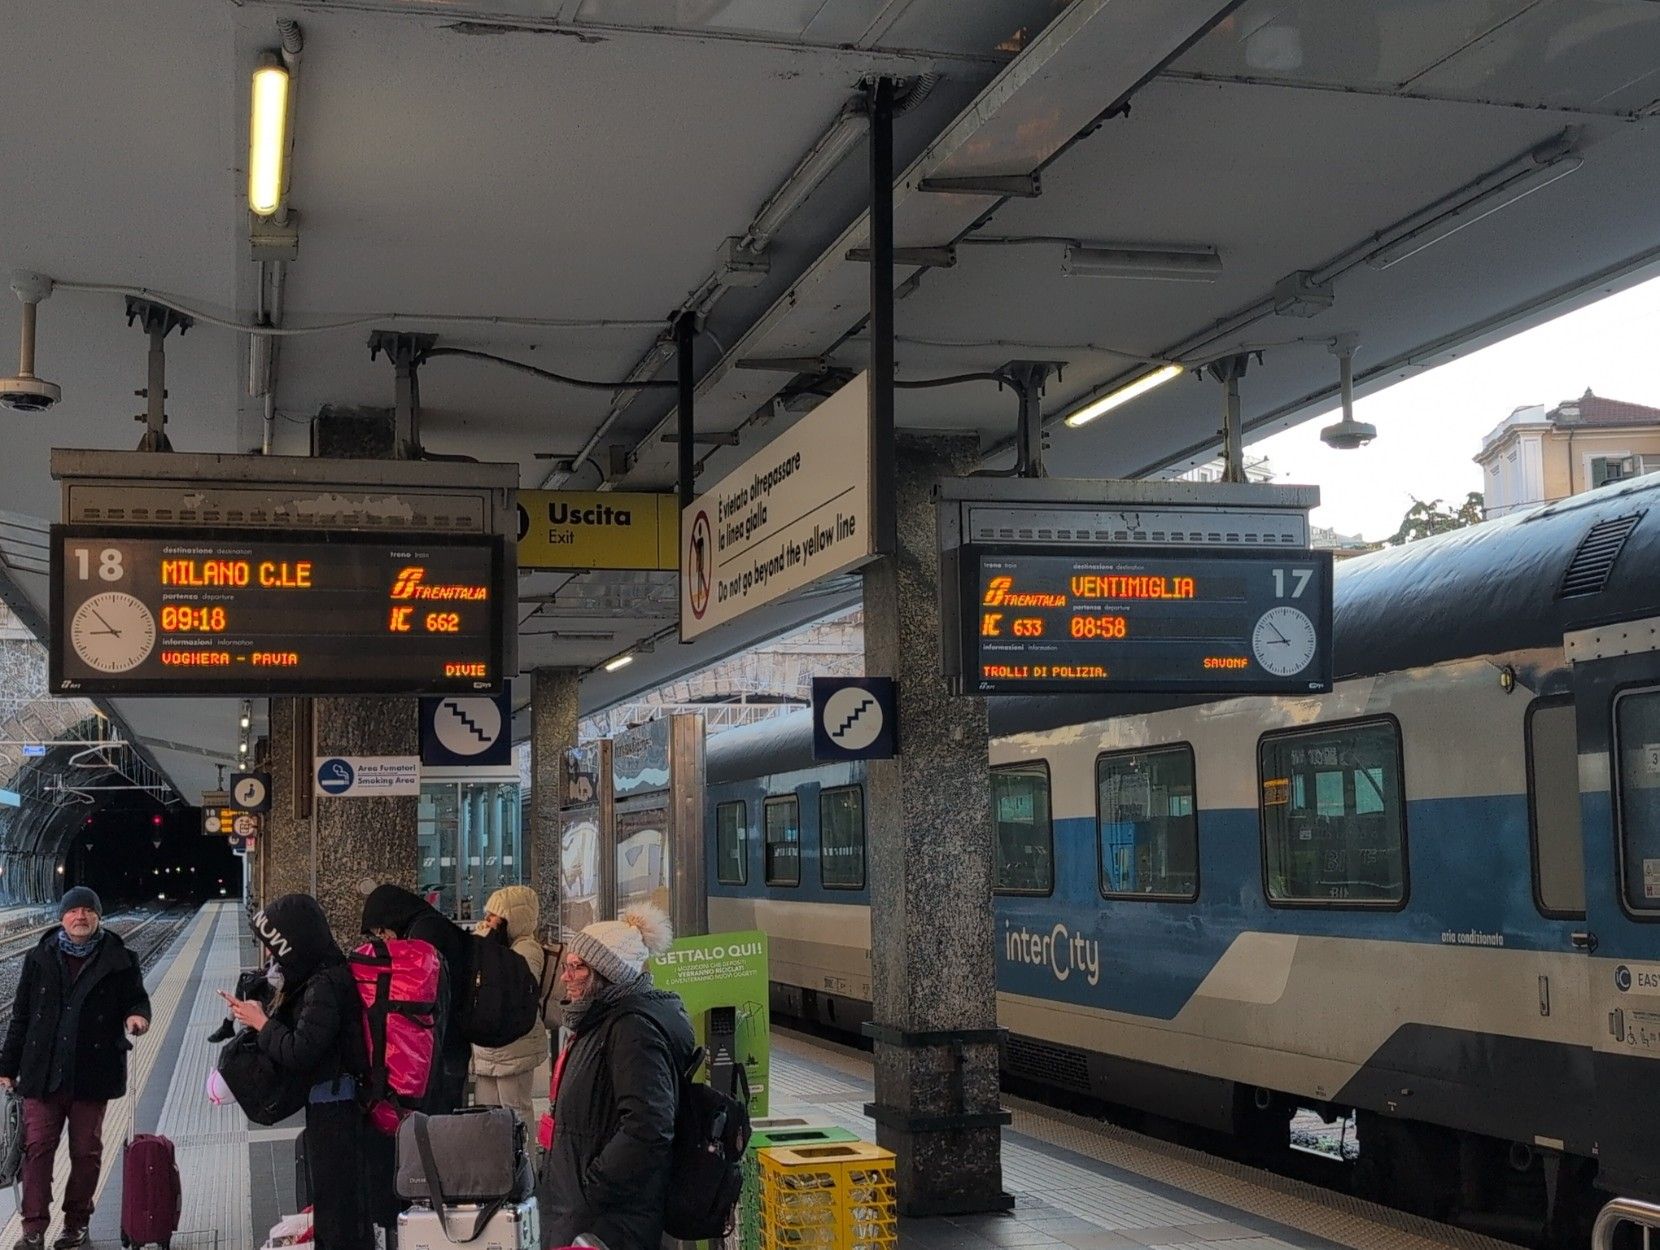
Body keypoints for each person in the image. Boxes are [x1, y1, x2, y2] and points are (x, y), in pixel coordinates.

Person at [0, 887, 151, 1250]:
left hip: (92, 1074)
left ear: (98, 916)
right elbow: (21, 1015)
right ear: (62, 917)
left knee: (86, 1151)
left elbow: (137, 999)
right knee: (37, 1149)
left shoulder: (120, 958)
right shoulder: (39, 958)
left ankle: (76, 1224)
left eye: (87, 910)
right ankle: (33, 1227)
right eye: (73, 911)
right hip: (42, 1074)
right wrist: (7, 1065)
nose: (80, 916)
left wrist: (137, 1017)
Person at [538, 903, 693, 1250]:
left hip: (610, 1219)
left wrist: (593, 1186)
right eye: (567, 966)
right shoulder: (600, 1020)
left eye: (577, 968)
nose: (565, 977)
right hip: (588, 1210)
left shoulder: (632, 1030)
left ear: (606, 973)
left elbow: (648, 1126)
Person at [225, 893, 374, 1250]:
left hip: (337, 1106)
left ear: (294, 944)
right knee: (335, 1200)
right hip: (333, 1102)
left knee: (336, 1204)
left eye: (275, 950)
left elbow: (301, 1051)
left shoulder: (325, 983)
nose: (270, 958)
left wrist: (261, 1024)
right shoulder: (321, 974)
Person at [359, 883, 471, 1112]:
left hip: (444, 1045)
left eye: (382, 931)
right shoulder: (428, 924)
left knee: (439, 1118)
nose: (384, 939)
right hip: (449, 1041)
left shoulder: (425, 932)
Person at [469, 885, 546, 1137]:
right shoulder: (494, 944)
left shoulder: (527, 948)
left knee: (516, 1115)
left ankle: (524, 1171)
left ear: (511, 920)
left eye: (494, 916)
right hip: (488, 1045)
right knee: (485, 1116)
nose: (487, 921)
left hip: (515, 1046)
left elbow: (513, 987)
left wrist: (486, 945)